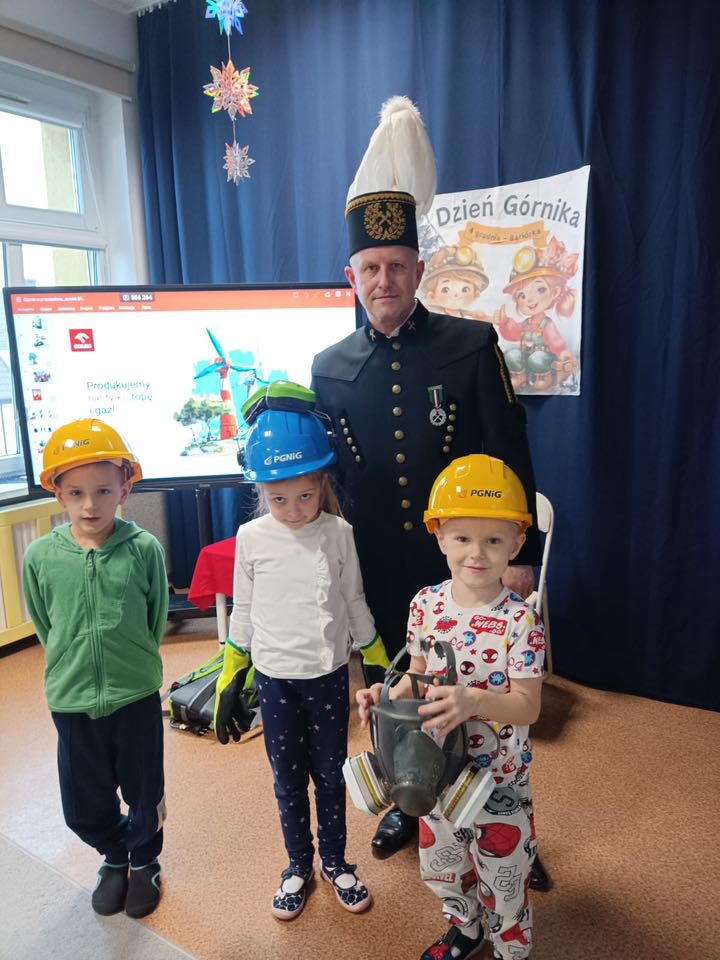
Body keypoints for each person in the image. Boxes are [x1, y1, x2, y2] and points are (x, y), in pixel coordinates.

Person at [311, 96, 549, 891]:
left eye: (397, 266)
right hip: (382, 564)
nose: (383, 280)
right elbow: (333, 484)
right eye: (370, 268)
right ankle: (408, 802)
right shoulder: (328, 368)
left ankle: (506, 819)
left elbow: (510, 453)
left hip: (469, 560)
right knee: (401, 693)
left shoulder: (470, 344)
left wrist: (521, 561)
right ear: (352, 276)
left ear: (420, 269)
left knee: (484, 695)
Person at [356, 454, 545, 960]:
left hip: (498, 777)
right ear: (439, 536)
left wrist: (473, 701)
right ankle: (465, 927)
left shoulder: (521, 622)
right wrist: (384, 696)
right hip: (435, 769)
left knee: (504, 874)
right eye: (462, 538)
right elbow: (415, 677)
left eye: (494, 540)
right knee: (444, 863)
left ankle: (510, 946)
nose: (476, 554)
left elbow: (528, 707)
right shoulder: (425, 605)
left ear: (517, 544)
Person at [213, 382, 388, 920]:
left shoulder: (339, 533)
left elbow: (354, 600)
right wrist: (231, 674)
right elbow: (243, 612)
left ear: (321, 482)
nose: (292, 510)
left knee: (330, 775)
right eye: (278, 499)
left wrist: (376, 657)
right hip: (275, 679)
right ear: (261, 491)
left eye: (304, 496)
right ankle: (298, 865)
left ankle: (335, 862)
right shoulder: (251, 537)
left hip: (329, 676)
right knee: (288, 781)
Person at [22, 419, 169, 919]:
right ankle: (114, 854)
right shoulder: (41, 556)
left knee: (144, 792)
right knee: (83, 804)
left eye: (104, 491)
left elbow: (154, 620)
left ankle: (144, 859)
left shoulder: (143, 548)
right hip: (72, 698)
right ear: (57, 493)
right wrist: (70, 663)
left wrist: (134, 662)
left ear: (125, 488)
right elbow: (46, 624)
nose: (90, 505)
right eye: (77, 493)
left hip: (135, 695)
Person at [496, 237, 579, 393]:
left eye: (540, 290)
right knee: (512, 354)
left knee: (537, 358)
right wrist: (505, 322)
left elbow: (556, 342)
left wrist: (562, 353)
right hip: (526, 356)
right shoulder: (526, 323)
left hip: (544, 358)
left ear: (555, 292)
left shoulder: (547, 324)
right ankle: (519, 376)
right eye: (522, 295)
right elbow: (514, 333)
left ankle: (544, 378)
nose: (530, 300)